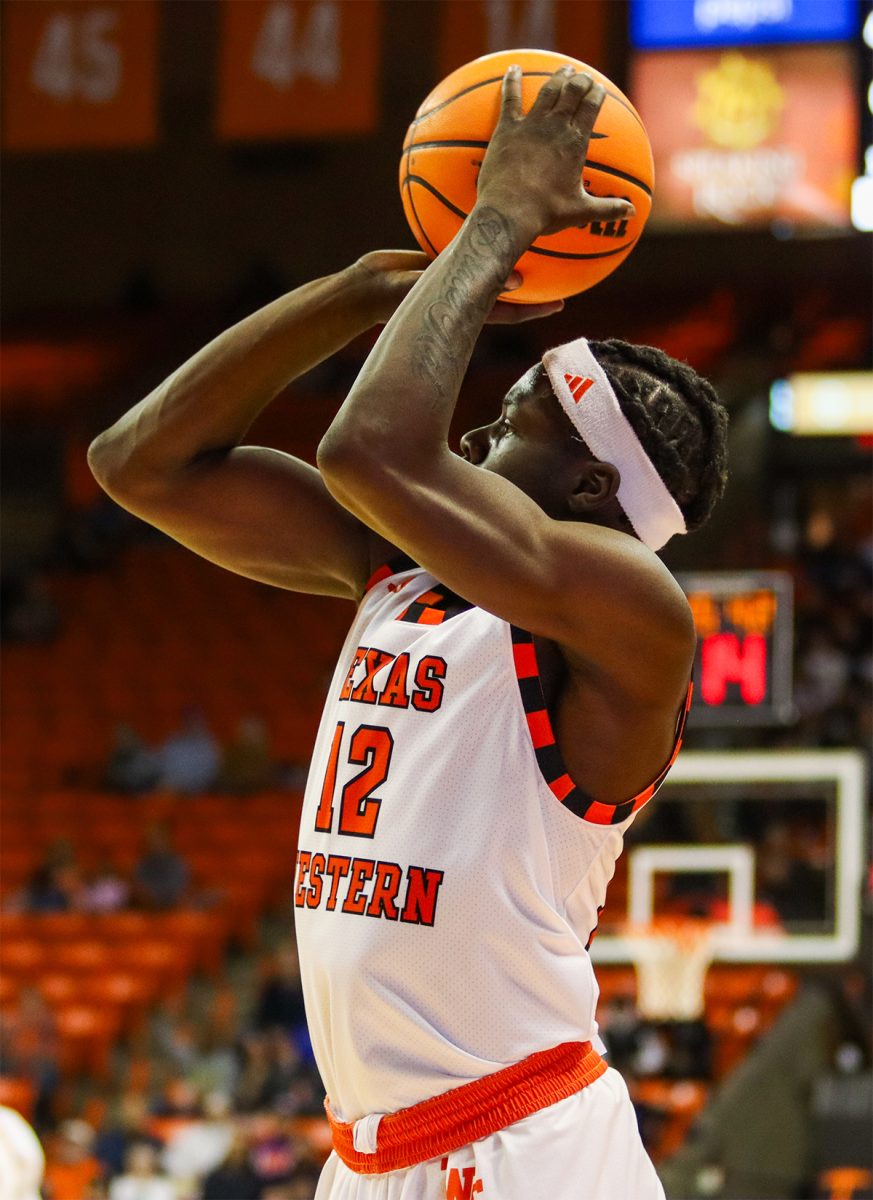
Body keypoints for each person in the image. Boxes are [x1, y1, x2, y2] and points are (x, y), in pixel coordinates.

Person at [89, 67, 728, 1199]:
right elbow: (139, 465)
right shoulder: (400, 572)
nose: (475, 428)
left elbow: (371, 450)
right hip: (372, 1155)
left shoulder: (633, 617)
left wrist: (493, 229)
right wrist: (354, 293)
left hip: (526, 1148)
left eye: (511, 420)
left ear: (589, 489)